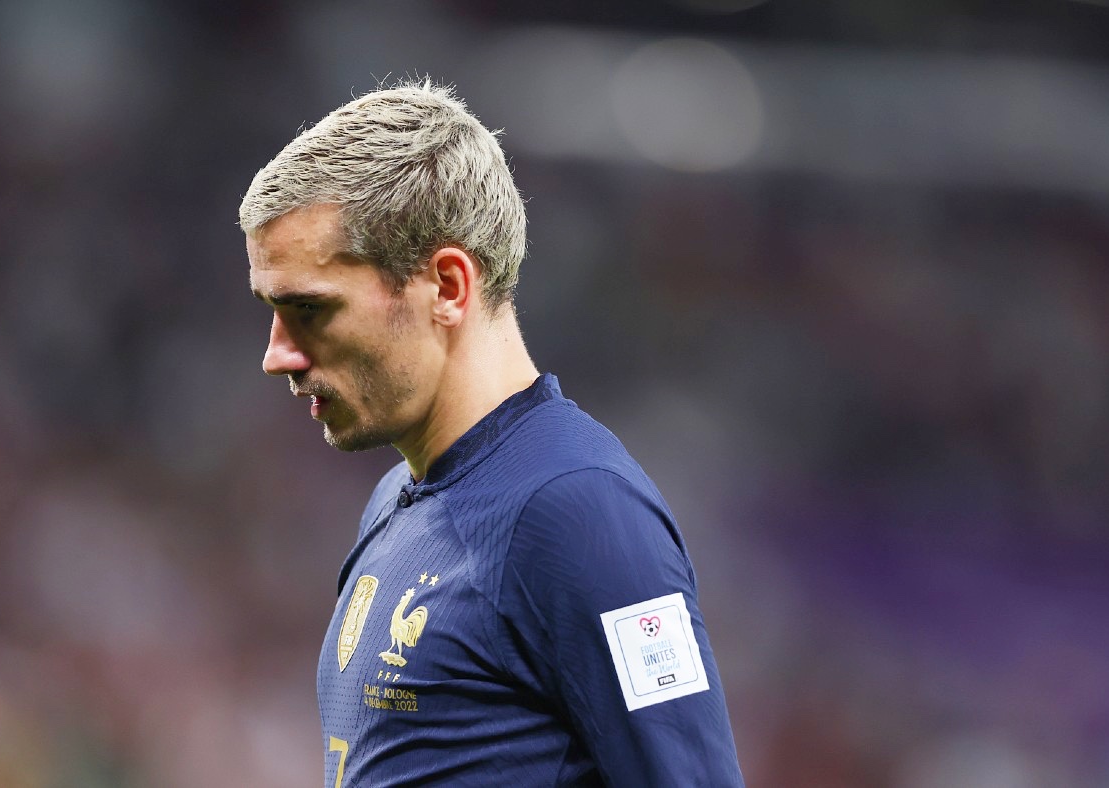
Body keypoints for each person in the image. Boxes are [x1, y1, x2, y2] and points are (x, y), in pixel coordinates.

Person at [239, 79, 744, 787]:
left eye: (310, 310)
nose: (277, 355)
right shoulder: (395, 500)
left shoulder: (578, 512)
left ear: (448, 286)